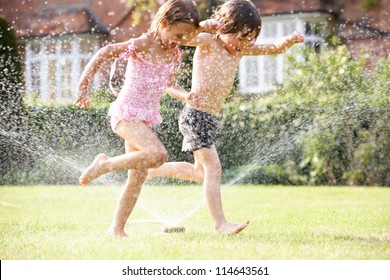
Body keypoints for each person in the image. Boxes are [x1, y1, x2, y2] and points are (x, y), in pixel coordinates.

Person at [147, 0, 305, 235]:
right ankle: (220, 224)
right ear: (223, 28)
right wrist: (203, 27)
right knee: (214, 168)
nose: (245, 44)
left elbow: (272, 48)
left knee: (200, 172)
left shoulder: (240, 50)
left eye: (250, 38)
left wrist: (289, 41)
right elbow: (183, 38)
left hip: (209, 118)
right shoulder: (208, 42)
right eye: (241, 37)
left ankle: (150, 170)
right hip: (194, 116)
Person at [74, 0, 201, 237]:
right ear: (164, 24)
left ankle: (116, 230)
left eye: (185, 38)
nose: (180, 41)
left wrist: (186, 96)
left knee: (136, 178)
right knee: (158, 155)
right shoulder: (142, 44)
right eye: (177, 34)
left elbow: (169, 84)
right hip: (125, 114)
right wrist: (83, 87)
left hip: (144, 119)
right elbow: (104, 52)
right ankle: (104, 165)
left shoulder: (172, 54)